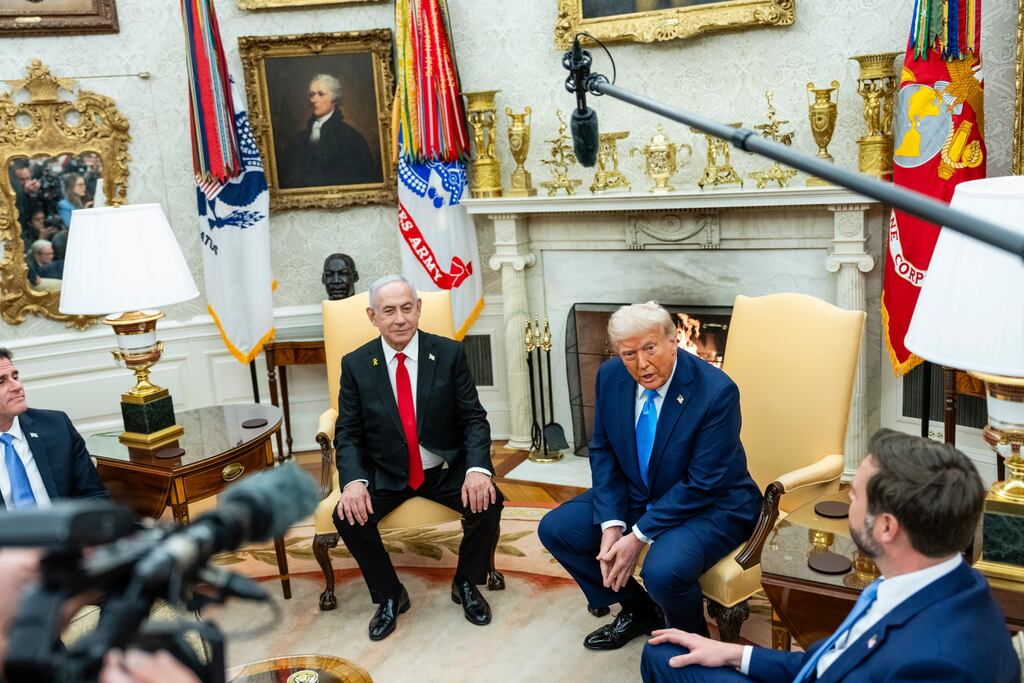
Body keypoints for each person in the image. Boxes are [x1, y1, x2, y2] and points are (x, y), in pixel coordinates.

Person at [641, 429, 1021, 682]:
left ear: (887, 527)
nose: (845, 501)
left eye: (854, 495)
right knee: (666, 651)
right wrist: (732, 654)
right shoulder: (950, 578)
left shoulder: (935, 665)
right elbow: (836, 655)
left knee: (661, 661)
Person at [539, 301, 762, 651]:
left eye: (650, 348)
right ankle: (639, 609)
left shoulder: (716, 392)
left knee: (663, 571)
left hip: (713, 504)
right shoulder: (611, 377)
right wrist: (611, 523)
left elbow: (704, 483)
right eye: (629, 354)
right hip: (640, 493)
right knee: (558, 529)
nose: (641, 364)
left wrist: (638, 535)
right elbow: (604, 450)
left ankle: (692, 644)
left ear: (674, 341)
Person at [332, 275, 503, 640]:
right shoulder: (357, 365)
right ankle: (390, 594)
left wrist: (476, 470)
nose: (399, 319)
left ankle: (467, 583)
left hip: (441, 469)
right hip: (387, 472)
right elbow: (348, 432)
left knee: (489, 502)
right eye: (389, 311)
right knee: (346, 515)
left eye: (407, 308)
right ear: (372, 316)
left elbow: (473, 417)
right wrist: (353, 482)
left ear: (419, 309)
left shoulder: (448, 353)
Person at [0, 347, 108, 509]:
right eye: (1, 381)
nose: (17, 386)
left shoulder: (57, 426)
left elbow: (93, 496)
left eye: (15, 376)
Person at [278, 74, 380, 189]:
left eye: (321, 94)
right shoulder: (300, 138)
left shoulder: (351, 138)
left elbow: (363, 181)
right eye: (312, 95)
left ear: (334, 99)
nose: (314, 100)